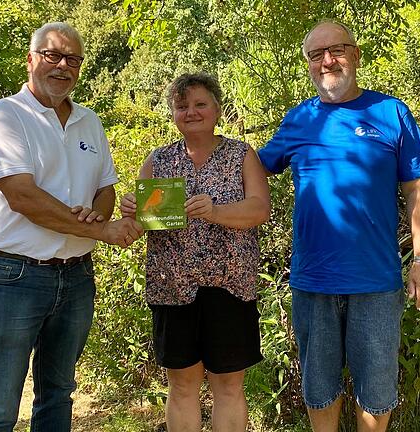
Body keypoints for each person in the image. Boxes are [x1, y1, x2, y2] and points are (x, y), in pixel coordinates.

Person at [257, 20, 420, 432]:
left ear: (355, 55)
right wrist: (194, 160)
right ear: (307, 64)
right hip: (313, 281)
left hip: (376, 281)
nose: (327, 61)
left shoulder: (391, 112)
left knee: (376, 395)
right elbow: (251, 169)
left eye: (337, 49)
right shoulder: (299, 118)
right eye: (316, 54)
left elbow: (417, 188)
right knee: (319, 390)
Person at [0, 22, 143, 432]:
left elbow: (105, 188)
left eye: (73, 59)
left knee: (58, 392)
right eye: (52, 55)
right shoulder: (5, 116)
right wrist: (101, 231)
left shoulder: (89, 121)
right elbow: (22, 196)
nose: (63, 65)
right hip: (17, 275)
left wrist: (98, 217)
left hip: (77, 276)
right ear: (31, 60)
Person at [120, 73, 270, 432]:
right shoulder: (159, 161)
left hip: (231, 287)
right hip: (173, 288)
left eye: (200, 104)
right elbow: (142, 226)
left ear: (217, 109)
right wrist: (131, 211)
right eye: (182, 105)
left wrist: (216, 211)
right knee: (182, 386)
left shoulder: (241, 155)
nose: (191, 112)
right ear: (173, 113)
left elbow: (259, 209)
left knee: (229, 386)